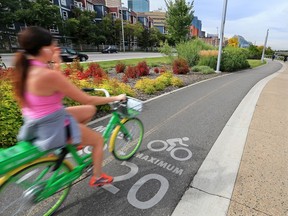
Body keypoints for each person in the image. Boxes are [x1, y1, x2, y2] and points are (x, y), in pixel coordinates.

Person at [12, 26, 126, 187]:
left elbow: (50, 86)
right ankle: (98, 177)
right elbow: (86, 99)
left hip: (40, 120)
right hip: (53, 125)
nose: (54, 48)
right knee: (99, 140)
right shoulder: (47, 75)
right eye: (52, 45)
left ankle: (73, 141)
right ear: (43, 49)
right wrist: (116, 97)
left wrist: (56, 64)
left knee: (89, 111)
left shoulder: (27, 68)